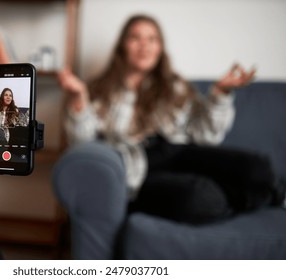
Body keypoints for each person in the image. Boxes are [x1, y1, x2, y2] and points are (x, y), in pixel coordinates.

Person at [57, 14, 284, 224]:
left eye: (152, 39)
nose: (144, 45)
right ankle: (247, 199)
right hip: (138, 166)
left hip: (179, 151)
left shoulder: (176, 88)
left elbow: (206, 137)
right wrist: (79, 99)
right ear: (122, 46)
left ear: (160, 48)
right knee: (200, 197)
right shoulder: (98, 91)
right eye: (135, 37)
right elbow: (81, 144)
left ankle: (265, 194)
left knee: (258, 168)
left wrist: (220, 95)